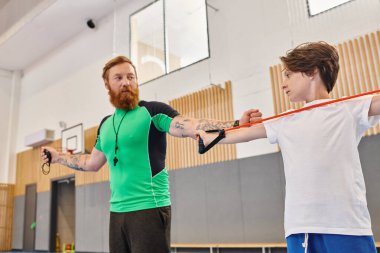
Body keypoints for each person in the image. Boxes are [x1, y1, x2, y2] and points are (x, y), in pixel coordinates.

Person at [41, 56, 262, 253]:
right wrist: (58, 156)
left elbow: (189, 125)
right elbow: (91, 162)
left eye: (131, 76)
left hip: (149, 208)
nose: (126, 82)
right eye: (118, 78)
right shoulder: (106, 125)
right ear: (107, 84)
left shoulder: (152, 112)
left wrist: (234, 124)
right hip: (117, 212)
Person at [197, 42, 380, 253]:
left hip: (347, 226)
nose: (283, 84)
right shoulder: (285, 120)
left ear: (312, 71)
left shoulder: (349, 108)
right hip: (300, 227)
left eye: (288, 75)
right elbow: (239, 134)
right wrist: (223, 131)